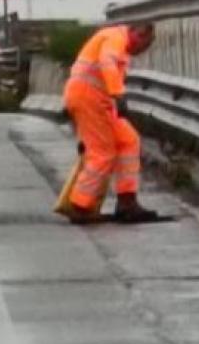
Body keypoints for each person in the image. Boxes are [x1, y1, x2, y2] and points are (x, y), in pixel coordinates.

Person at [61, 22, 157, 223]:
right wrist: (118, 94)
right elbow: (107, 62)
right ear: (138, 34)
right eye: (143, 46)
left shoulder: (116, 40)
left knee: (129, 140)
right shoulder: (116, 39)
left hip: (97, 100)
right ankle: (80, 205)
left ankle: (127, 201)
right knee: (102, 152)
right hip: (90, 99)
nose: (140, 51)